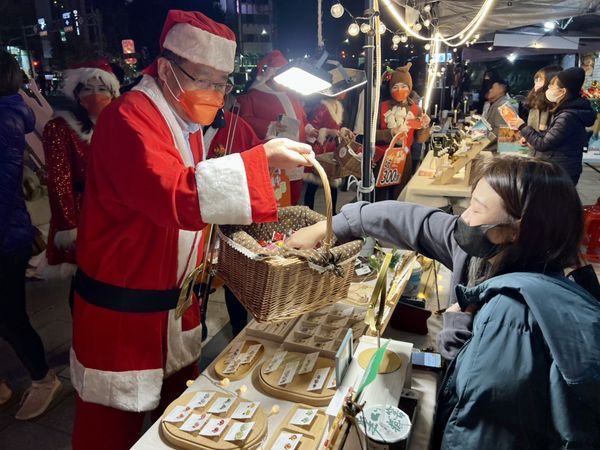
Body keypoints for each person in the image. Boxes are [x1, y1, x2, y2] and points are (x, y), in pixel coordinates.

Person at [71, 11, 313, 450]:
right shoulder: (128, 119)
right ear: (165, 69)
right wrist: (261, 160)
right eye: (207, 79)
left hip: (174, 303)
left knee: (179, 424)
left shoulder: (184, 122)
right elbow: (177, 195)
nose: (217, 95)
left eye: (224, 83)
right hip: (123, 314)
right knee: (108, 433)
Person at [287, 155, 600, 449]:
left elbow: (478, 431)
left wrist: (457, 341)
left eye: (476, 208)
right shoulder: (486, 252)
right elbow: (415, 221)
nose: (463, 217)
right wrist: (331, 227)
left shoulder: (513, 318)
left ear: (514, 231)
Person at [0, 49, 62, 420]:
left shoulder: (5, 118)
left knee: (9, 316)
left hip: (6, 237)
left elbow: (3, 189)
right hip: (10, 231)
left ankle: (42, 378)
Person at [42, 59, 120, 287]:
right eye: (87, 88)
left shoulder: (120, 126)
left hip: (116, 214)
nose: (95, 95)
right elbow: (59, 182)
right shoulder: (59, 128)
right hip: (82, 212)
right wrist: (69, 228)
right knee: (85, 281)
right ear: (76, 93)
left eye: (102, 89)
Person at [238, 50, 318, 205]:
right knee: (277, 198)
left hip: (297, 158)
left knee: (294, 196)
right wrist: (271, 126)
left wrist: (309, 129)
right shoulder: (253, 96)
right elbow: (244, 121)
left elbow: (301, 117)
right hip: (275, 160)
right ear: (271, 75)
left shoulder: (291, 94)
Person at [506, 67, 596, 185]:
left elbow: (543, 144)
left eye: (552, 86)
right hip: (554, 167)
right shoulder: (565, 111)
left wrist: (522, 126)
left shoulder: (567, 116)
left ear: (562, 91)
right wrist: (530, 138)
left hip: (560, 171)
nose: (549, 88)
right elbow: (551, 136)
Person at [375, 63, 430, 201]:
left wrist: (425, 125)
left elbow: (420, 139)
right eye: (395, 87)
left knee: (400, 195)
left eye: (404, 86)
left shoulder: (416, 109)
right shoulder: (381, 106)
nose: (400, 90)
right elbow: (371, 134)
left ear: (410, 87)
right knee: (380, 196)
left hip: (405, 158)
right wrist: (390, 133)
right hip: (383, 156)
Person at [303, 93, 347, 211]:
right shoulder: (321, 107)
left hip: (333, 149)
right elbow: (313, 131)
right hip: (320, 150)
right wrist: (327, 131)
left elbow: (338, 127)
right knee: (313, 184)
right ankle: (308, 214)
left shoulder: (339, 105)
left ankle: (333, 214)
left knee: (333, 185)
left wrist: (342, 131)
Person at [482, 78, 514, 152]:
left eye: (492, 87)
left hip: (497, 152)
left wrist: (483, 142)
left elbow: (500, 132)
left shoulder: (504, 106)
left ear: (501, 89)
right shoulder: (496, 103)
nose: (490, 90)